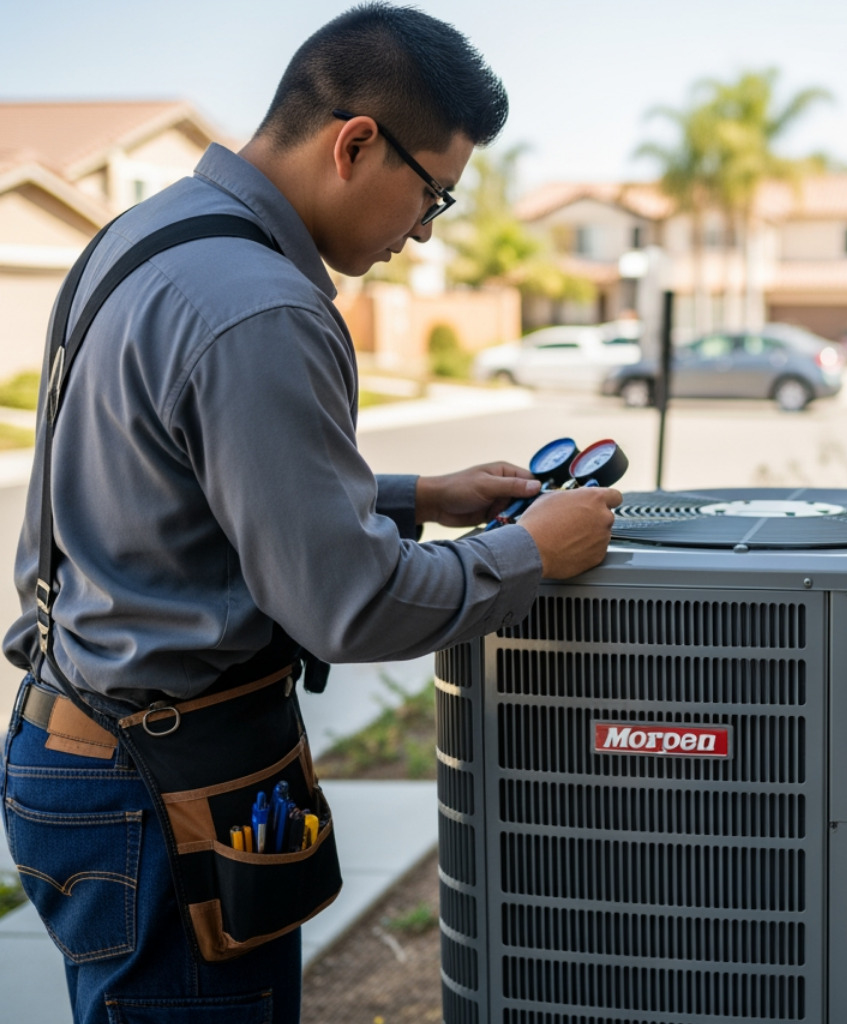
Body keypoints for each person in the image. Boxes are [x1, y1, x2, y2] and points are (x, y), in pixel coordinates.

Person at [0, 6, 618, 1022]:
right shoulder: (268, 306)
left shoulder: (146, 238)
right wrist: (530, 553)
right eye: (435, 195)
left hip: (73, 744)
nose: (424, 230)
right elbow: (352, 603)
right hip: (161, 785)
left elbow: (167, 489)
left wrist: (416, 495)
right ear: (358, 142)